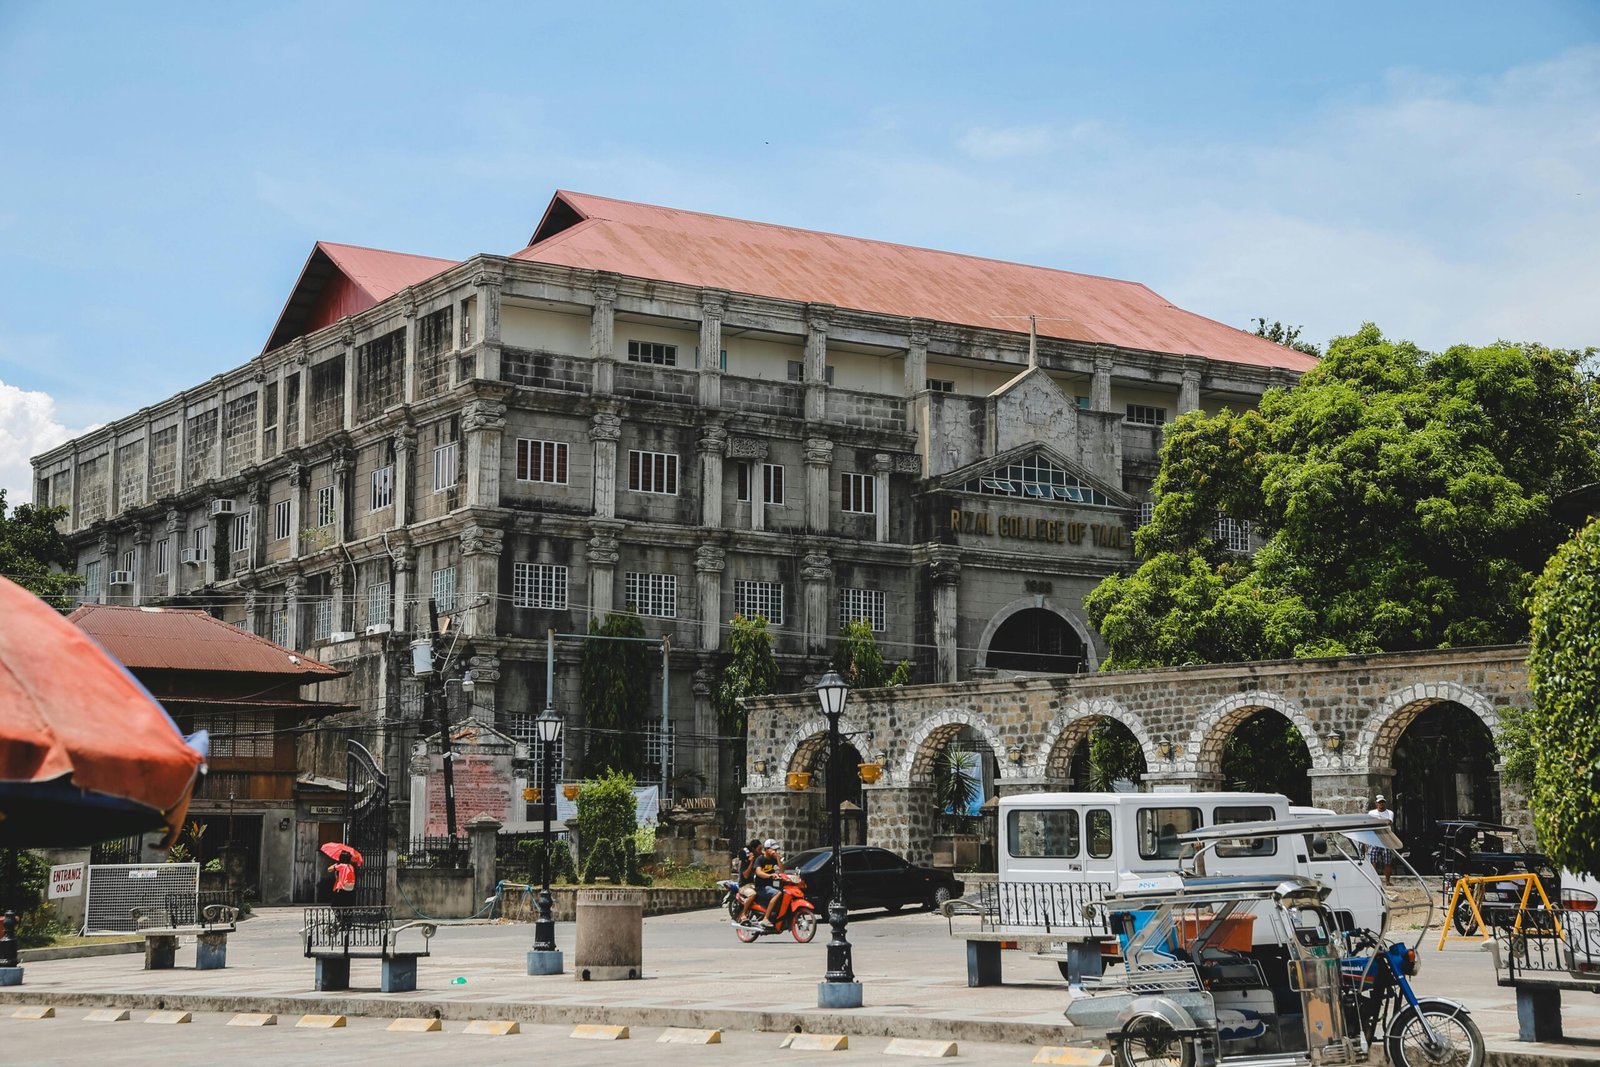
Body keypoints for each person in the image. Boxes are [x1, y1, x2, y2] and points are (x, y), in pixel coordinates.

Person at [745, 839, 785, 928]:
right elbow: (759, 872)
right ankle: (765, 919)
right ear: (767, 849)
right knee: (778, 893)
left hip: (771, 886)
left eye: (776, 850)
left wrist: (778, 859)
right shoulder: (760, 859)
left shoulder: (773, 859)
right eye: (773, 849)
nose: (775, 851)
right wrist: (770, 876)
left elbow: (782, 871)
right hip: (761, 887)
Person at [1367, 795, 1396, 886]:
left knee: (1387, 861)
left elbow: (1389, 822)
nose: (1381, 804)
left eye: (1383, 802)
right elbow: (1369, 823)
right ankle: (1373, 881)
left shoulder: (1389, 813)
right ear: (1376, 804)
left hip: (1386, 839)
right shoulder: (1371, 812)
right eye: (1379, 803)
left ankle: (1387, 881)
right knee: (1373, 860)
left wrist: (1377, 821)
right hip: (1375, 838)